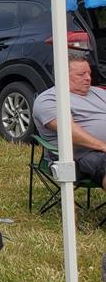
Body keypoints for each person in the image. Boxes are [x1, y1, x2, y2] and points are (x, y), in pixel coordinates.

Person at [33, 51, 106, 188]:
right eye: (81, 74)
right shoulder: (49, 99)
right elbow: (68, 130)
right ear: (62, 76)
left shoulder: (99, 93)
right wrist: (103, 146)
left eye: (89, 73)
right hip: (79, 156)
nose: (88, 78)